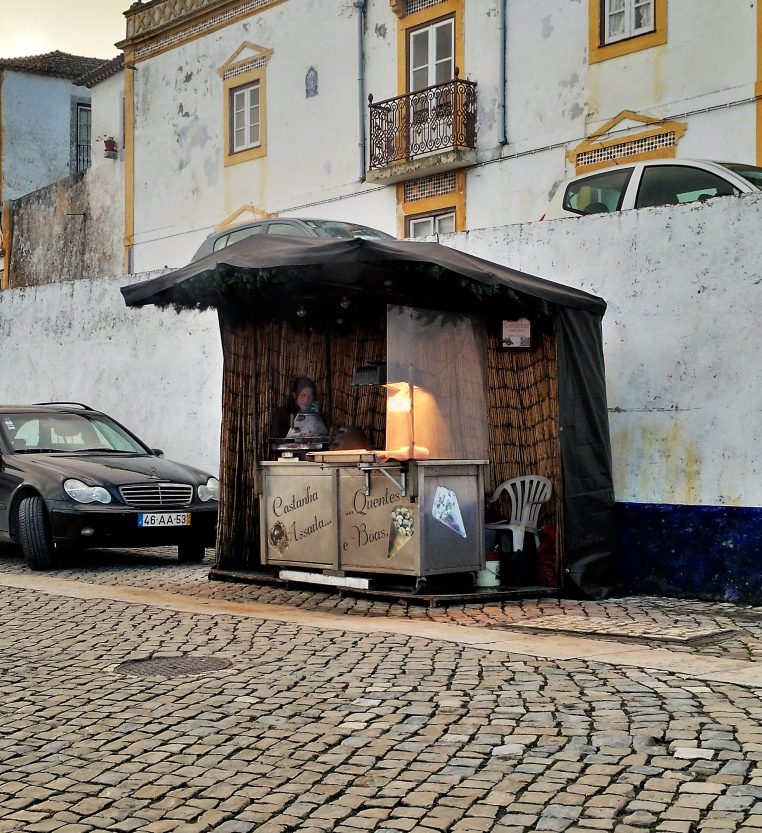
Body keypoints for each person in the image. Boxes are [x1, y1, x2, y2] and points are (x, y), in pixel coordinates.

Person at [273, 375, 329, 440]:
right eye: (302, 395)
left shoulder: (317, 413)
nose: (306, 400)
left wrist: (318, 417)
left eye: (309, 396)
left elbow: (324, 437)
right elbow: (276, 439)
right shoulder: (283, 413)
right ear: (295, 395)